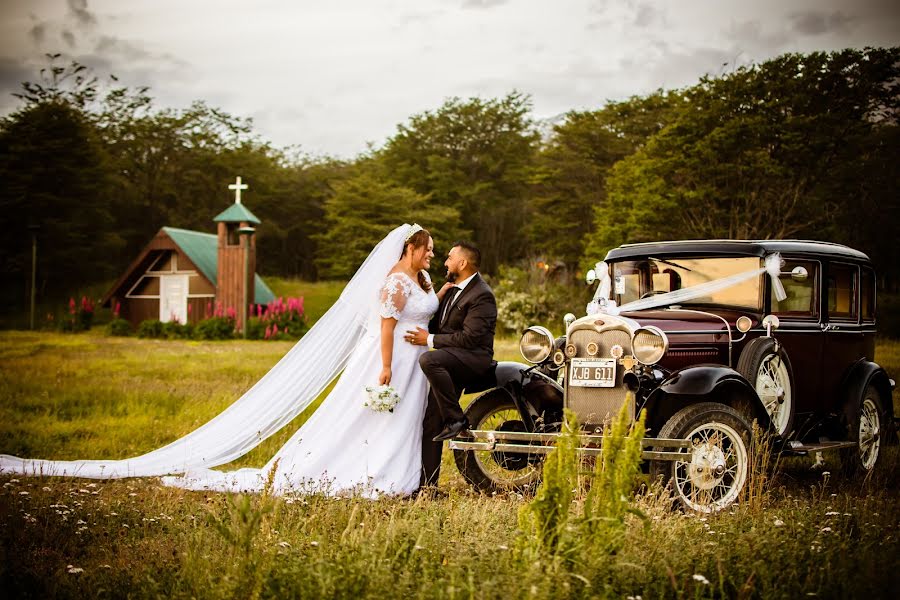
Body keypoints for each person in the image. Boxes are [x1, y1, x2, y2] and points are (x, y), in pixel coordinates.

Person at [1, 224, 449, 499]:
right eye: (426, 248)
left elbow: (424, 305)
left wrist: (444, 293)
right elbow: (387, 326)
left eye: (431, 250)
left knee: (400, 420)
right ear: (408, 250)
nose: (430, 254)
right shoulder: (393, 282)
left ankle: (399, 470)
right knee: (366, 417)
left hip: (417, 362)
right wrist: (386, 366)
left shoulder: (422, 280)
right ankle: (360, 470)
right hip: (391, 359)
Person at [404, 241, 497, 489]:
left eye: (449, 257)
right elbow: (439, 326)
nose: (445, 261)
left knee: (429, 358)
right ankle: (428, 487)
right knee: (431, 422)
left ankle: (457, 419)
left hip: (473, 359)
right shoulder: (453, 289)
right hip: (451, 359)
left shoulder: (482, 295)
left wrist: (429, 340)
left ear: (462, 263)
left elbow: (470, 338)